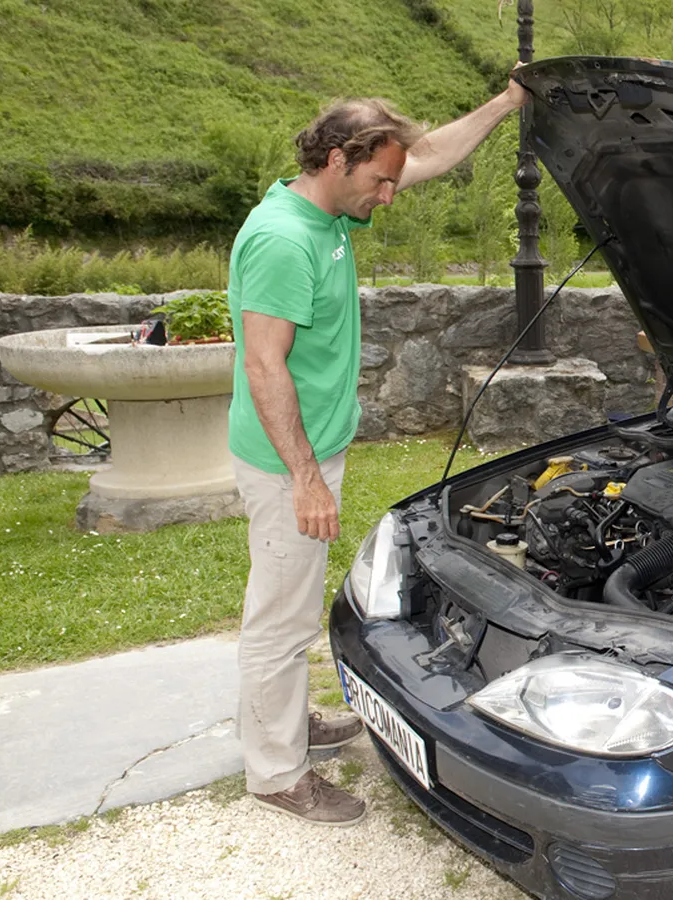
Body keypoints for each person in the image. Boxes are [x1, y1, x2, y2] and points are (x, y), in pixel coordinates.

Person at [227, 72, 527, 826]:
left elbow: (432, 156)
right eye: (380, 182)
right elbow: (264, 366)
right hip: (285, 460)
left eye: (393, 181)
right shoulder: (283, 239)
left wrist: (506, 103)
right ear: (338, 159)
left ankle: (285, 723)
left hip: (307, 449)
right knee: (281, 618)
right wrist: (305, 478)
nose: (391, 196)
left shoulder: (328, 209)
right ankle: (276, 773)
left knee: (290, 603)